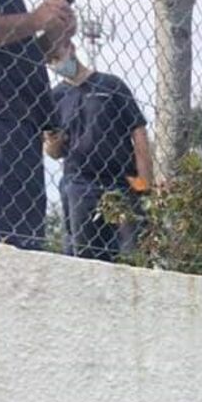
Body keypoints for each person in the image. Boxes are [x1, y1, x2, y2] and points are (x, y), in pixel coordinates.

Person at [0, 0, 75, 249]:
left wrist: (51, 33)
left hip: (16, 121)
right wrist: (37, 18)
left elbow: (14, 53)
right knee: (12, 251)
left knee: (19, 249)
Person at [43, 40, 152, 261]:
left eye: (57, 56)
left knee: (132, 255)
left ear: (70, 48)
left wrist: (145, 186)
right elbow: (53, 152)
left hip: (123, 182)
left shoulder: (111, 85)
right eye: (50, 61)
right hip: (80, 183)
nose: (56, 64)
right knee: (86, 257)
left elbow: (139, 135)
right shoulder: (55, 97)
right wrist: (55, 142)